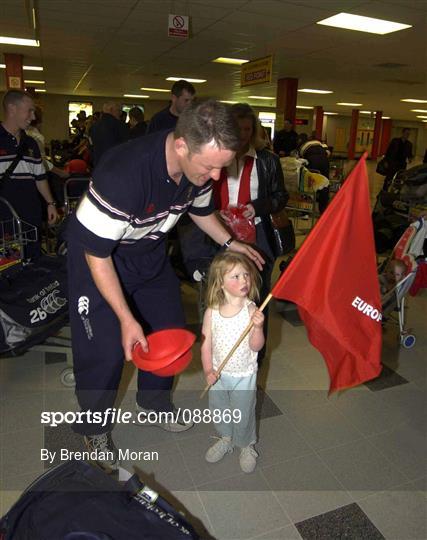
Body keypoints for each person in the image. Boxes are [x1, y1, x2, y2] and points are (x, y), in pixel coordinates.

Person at [66, 100, 265, 472]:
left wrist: (230, 242)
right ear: (180, 146)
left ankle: (154, 403)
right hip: (98, 257)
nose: (217, 177)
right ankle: (93, 426)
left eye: (222, 167)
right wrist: (126, 317)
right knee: (106, 350)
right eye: (210, 167)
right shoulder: (123, 174)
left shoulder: (199, 172)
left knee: (170, 333)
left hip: (148, 254)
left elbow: (200, 210)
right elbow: (97, 256)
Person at [212, 103, 288, 359]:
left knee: (257, 294)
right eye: (237, 128)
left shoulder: (267, 160)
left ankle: (255, 353)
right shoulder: (218, 154)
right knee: (221, 292)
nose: (243, 135)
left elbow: (280, 196)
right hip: (221, 236)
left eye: (247, 129)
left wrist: (257, 207)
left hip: (258, 237)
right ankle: (222, 349)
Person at [201, 252, 265, 473]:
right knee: (219, 408)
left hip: (244, 374)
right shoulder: (212, 312)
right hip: (218, 372)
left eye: (246, 275)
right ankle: (226, 438)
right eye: (235, 276)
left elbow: (256, 346)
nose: (244, 280)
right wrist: (208, 369)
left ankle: (246, 445)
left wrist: (257, 327)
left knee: (243, 411)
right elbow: (206, 344)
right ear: (220, 284)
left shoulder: (251, 310)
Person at [0, 90, 58, 259]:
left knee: (32, 262)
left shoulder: (31, 142)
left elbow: (40, 178)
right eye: (29, 111)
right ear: (12, 109)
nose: (33, 117)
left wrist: (50, 203)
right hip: (5, 218)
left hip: (31, 216)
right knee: (9, 264)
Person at [297, 132, 330, 214]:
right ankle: (323, 211)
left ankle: (305, 212)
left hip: (312, 162)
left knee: (308, 185)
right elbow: (328, 153)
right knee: (324, 184)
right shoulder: (320, 143)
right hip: (324, 162)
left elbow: (300, 158)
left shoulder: (303, 145)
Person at [90, 101, 129, 166]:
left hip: (98, 164)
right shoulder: (120, 125)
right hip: (115, 164)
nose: (120, 113)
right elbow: (126, 146)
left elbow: (91, 146)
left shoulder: (94, 126)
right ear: (111, 110)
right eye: (119, 110)